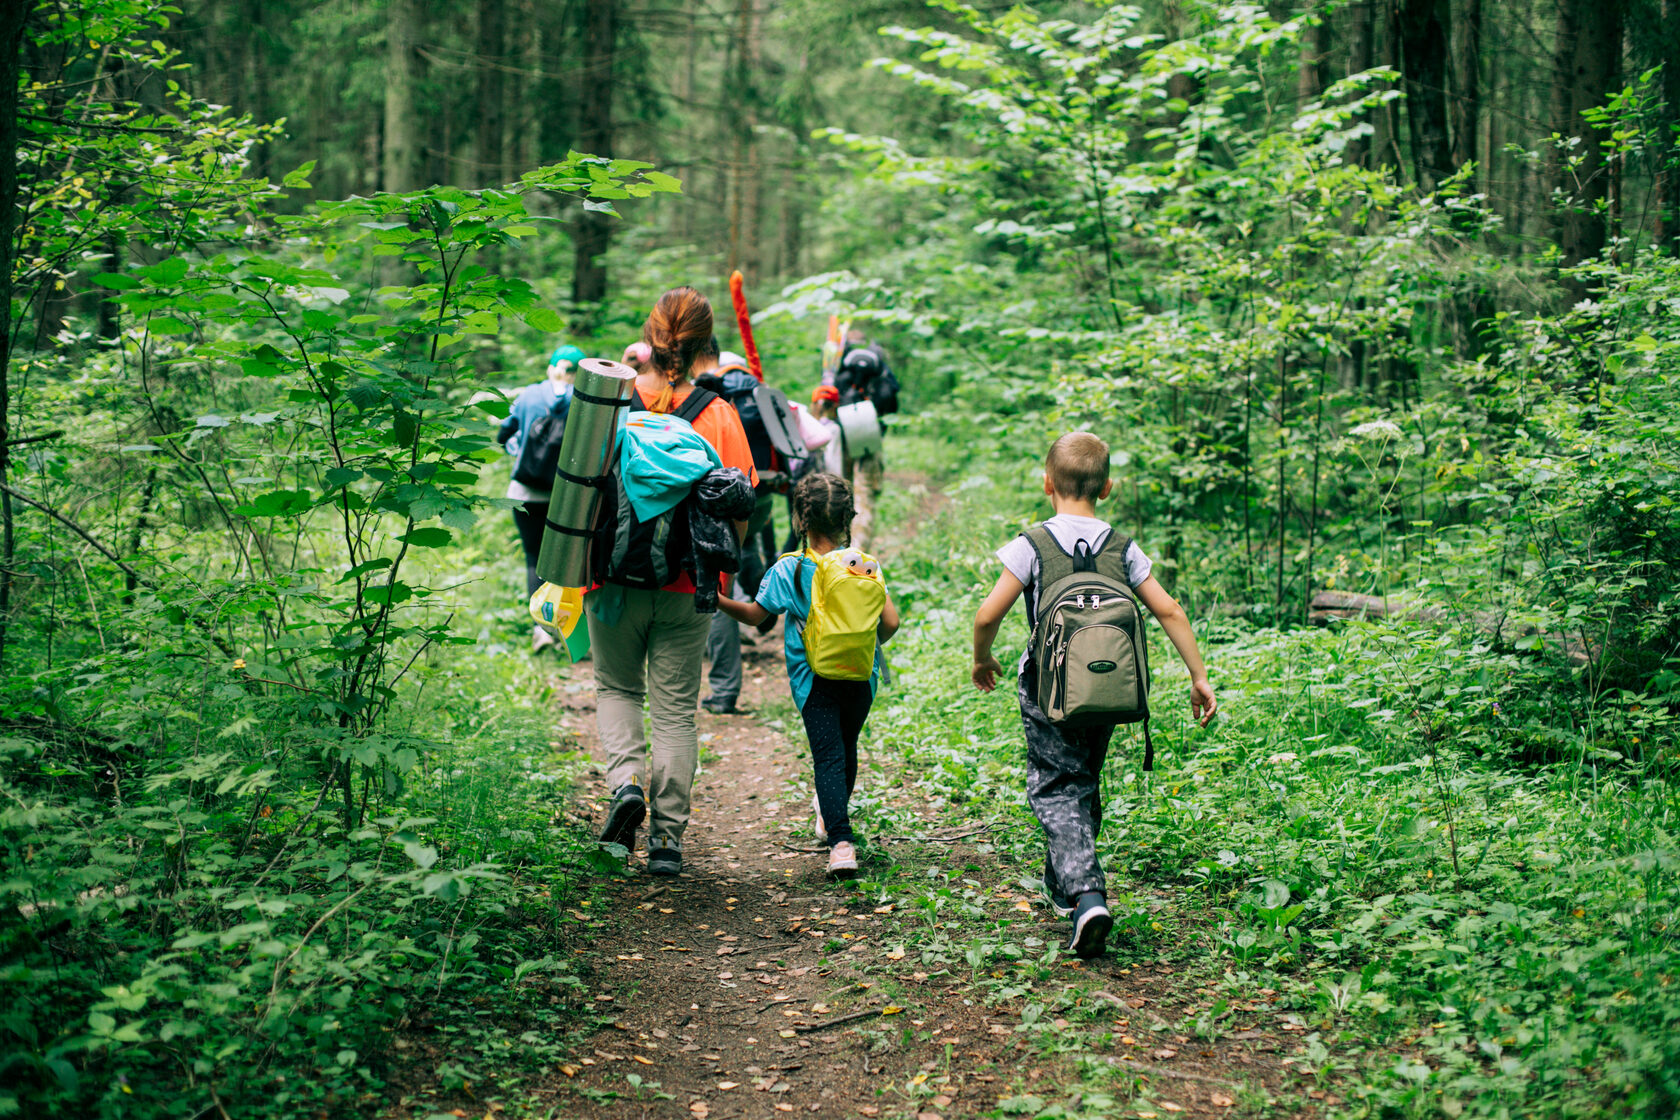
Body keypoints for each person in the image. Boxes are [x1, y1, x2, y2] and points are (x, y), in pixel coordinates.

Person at [970, 432, 1217, 957]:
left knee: (1058, 786)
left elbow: (988, 613)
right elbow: (1169, 610)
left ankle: (1086, 896)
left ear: (1046, 484)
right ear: (1107, 487)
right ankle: (1063, 889)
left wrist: (982, 657)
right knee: (1081, 779)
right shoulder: (1122, 547)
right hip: (1108, 686)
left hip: (1047, 687)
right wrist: (1197, 675)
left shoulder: (1031, 544)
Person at [593, 289, 759, 877]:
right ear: (703, 346)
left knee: (616, 689)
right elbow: (741, 504)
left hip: (609, 581)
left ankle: (625, 786)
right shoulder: (717, 413)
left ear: (650, 335)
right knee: (673, 714)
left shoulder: (609, 401)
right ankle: (666, 841)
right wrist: (718, 565)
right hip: (687, 587)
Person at [717, 472, 899, 878]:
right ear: (847, 517)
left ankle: (840, 843)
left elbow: (755, 616)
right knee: (845, 749)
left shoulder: (790, 568)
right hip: (861, 674)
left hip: (813, 678)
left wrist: (718, 599)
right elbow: (890, 624)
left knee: (828, 756)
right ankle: (831, 818)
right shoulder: (864, 566)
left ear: (801, 519)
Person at [699, 349, 783, 715]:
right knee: (738, 560)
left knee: (716, 588)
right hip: (759, 491)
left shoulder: (705, 396)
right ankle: (725, 687)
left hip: (708, 497)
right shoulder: (756, 388)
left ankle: (721, 688)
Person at [498, 344, 586, 653]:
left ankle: (541, 631)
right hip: (565, 497)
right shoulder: (583, 400)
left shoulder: (529, 395)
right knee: (565, 565)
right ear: (579, 372)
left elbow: (503, 434)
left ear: (551, 367)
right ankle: (568, 630)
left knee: (533, 560)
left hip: (524, 493)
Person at [833, 332, 900, 549]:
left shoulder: (843, 368)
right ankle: (857, 552)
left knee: (839, 495)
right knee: (864, 497)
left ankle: (838, 550)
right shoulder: (881, 373)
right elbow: (891, 407)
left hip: (843, 440)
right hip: (869, 442)